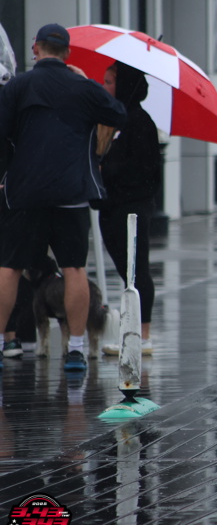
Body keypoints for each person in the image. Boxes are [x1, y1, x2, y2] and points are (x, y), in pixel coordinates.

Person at [0, 23, 127, 371]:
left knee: (10, 267)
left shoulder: (19, 86)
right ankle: (76, 349)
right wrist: (88, 82)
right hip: (71, 192)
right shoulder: (81, 87)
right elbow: (118, 114)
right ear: (68, 53)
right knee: (74, 268)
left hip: (25, 192)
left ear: (35, 49)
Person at [93, 61, 162, 356]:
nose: (104, 87)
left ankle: (142, 334)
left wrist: (108, 170)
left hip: (131, 208)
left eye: (109, 82)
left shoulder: (139, 122)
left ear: (123, 86)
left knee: (136, 271)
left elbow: (144, 171)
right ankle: (130, 331)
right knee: (126, 271)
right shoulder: (112, 121)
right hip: (111, 207)